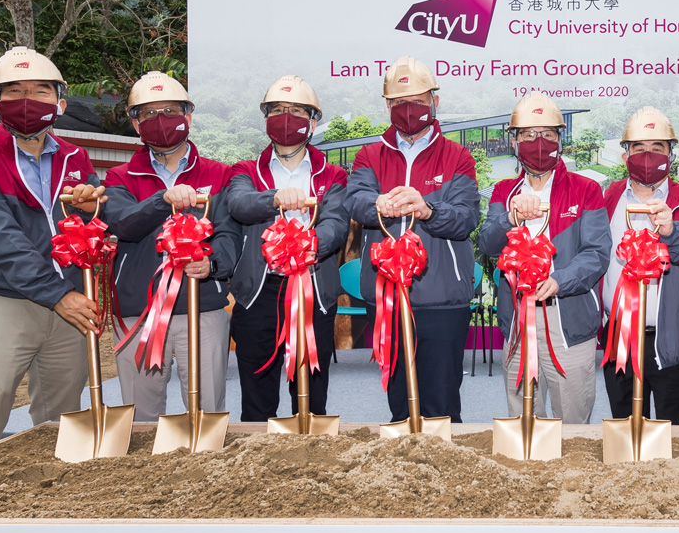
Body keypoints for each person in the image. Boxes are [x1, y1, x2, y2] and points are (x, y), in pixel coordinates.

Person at [0, 47, 104, 459]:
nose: (27, 100)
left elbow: (90, 229)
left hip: (66, 309)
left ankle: (55, 504)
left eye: (41, 91)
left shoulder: (75, 159)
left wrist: (93, 206)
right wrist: (58, 294)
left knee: (63, 419)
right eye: (14, 91)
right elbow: (1, 240)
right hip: (2, 303)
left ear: (60, 102)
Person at [345, 57, 481, 424]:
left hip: (442, 297)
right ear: (388, 106)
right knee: (399, 399)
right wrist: (379, 204)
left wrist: (428, 210)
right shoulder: (369, 155)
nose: (411, 110)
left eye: (420, 100)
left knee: (441, 402)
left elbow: (467, 217)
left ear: (436, 101)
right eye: (401, 102)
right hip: (386, 296)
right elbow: (354, 201)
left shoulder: (458, 157)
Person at [102, 72, 239, 422]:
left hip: (203, 307)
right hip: (138, 314)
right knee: (141, 418)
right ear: (135, 124)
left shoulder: (219, 173)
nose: (159, 121)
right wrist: (163, 201)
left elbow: (229, 233)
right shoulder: (119, 177)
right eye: (147, 114)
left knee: (208, 414)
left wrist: (214, 264)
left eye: (169, 110)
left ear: (188, 117)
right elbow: (122, 224)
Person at [225, 75, 349, 422]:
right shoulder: (245, 170)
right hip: (258, 294)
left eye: (296, 110)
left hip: (313, 293)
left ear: (312, 121)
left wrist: (306, 245)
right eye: (277, 109)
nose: (285, 116)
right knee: (257, 393)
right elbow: (239, 204)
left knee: (312, 394)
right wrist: (274, 198)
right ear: (265, 118)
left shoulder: (333, 175)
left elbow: (336, 224)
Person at [480, 93, 609, 422]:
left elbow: (596, 253)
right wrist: (509, 218)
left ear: (560, 141)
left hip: (568, 319)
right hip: (517, 322)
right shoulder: (503, 191)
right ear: (514, 142)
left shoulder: (586, 190)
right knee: (523, 416)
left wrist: (559, 281)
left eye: (548, 135)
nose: (539, 143)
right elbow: (488, 244)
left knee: (573, 418)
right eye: (528, 135)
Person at [600, 107, 679, 426]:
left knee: (674, 438)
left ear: (671, 156)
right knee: (624, 432)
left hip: (673, 341)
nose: (647, 155)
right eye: (638, 148)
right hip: (618, 339)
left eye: (657, 148)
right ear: (625, 156)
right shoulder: (607, 199)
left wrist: (672, 231)